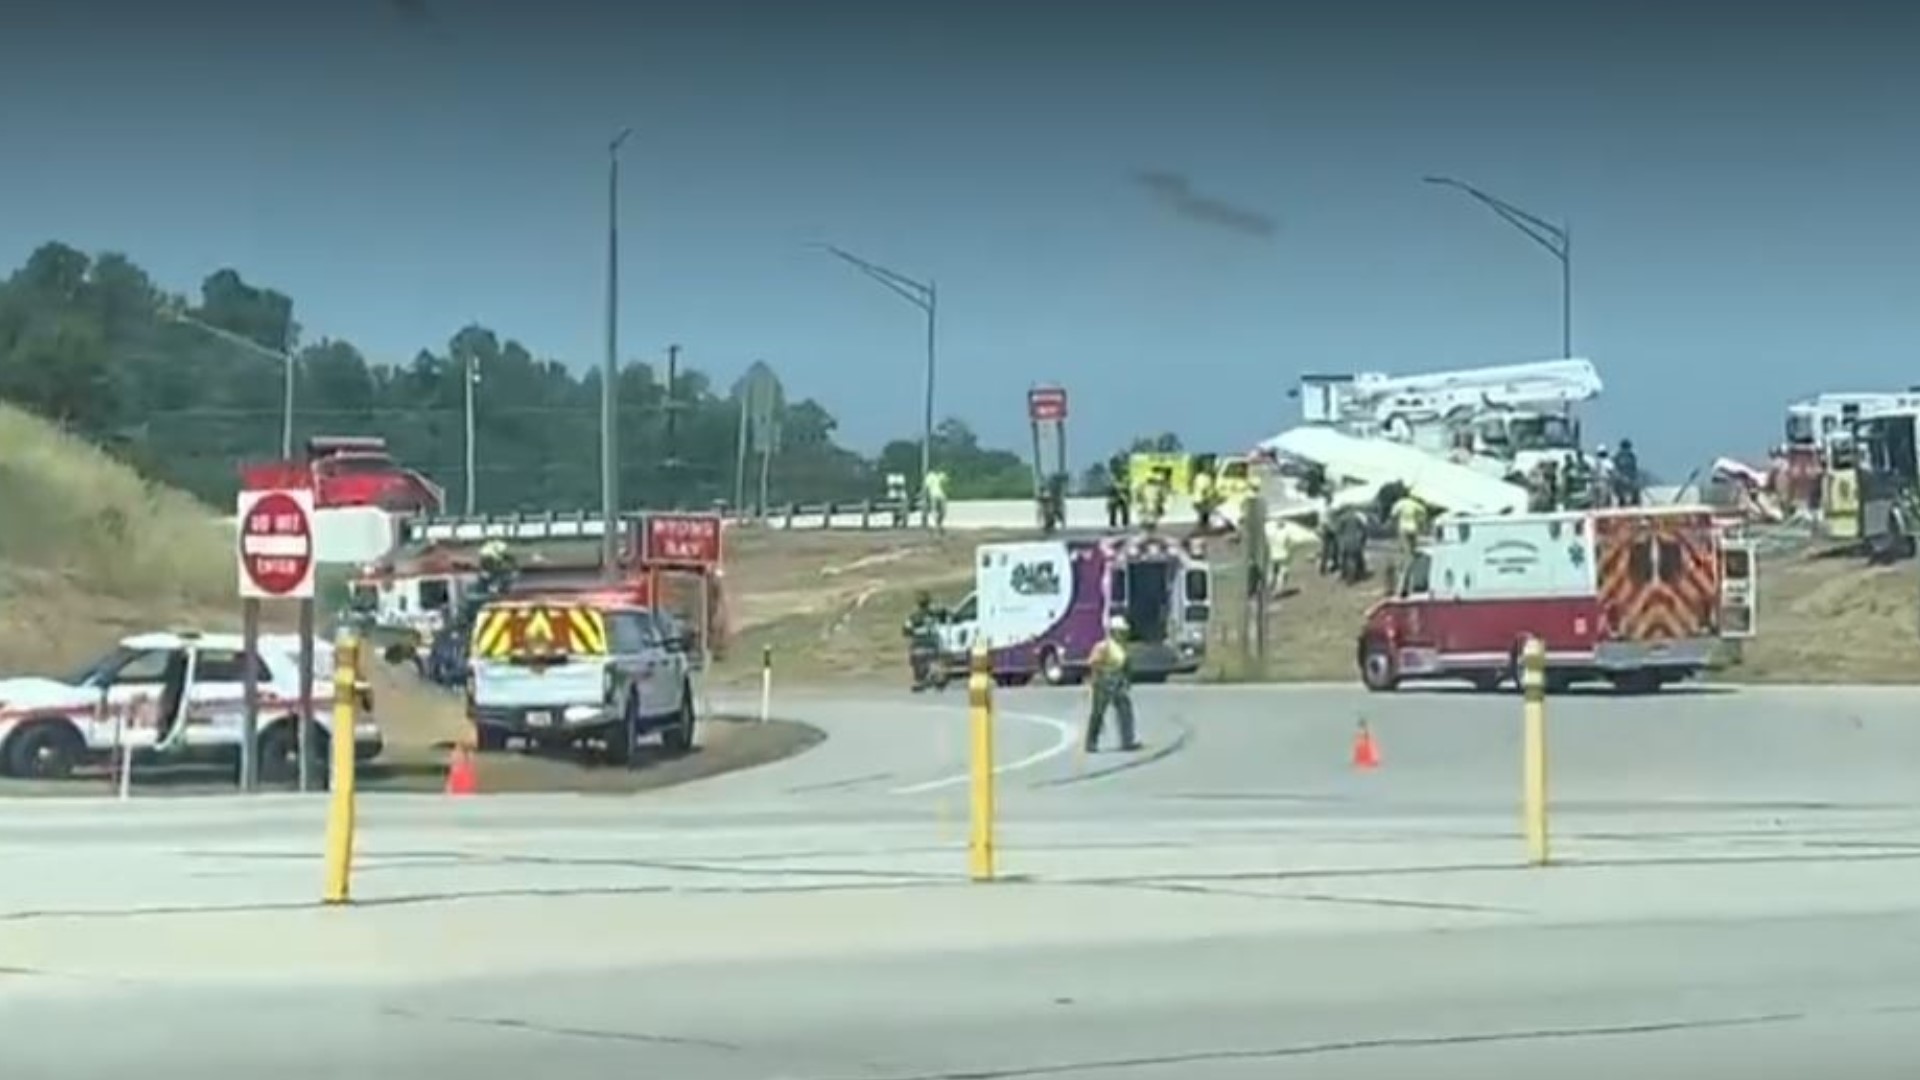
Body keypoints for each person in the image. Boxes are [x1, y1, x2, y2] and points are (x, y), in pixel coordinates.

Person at [1084, 616, 1141, 753]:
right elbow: (1092, 662)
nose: (1123, 634)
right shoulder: (1104, 646)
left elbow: (1127, 667)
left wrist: (1127, 681)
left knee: (1125, 711)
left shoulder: (1123, 649)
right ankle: (1091, 742)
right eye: (1120, 631)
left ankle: (1127, 740)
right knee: (1098, 713)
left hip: (1118, 682)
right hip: (1103, 681)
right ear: (1113, 632)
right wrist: (1096, 677)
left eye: (1123, 632)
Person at [902, 591, 943, 691]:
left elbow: (906, 630)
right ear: (929, 603)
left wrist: (911, 633)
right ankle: (935, 676)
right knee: (934, 660)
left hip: (919, 643)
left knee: (916, 660)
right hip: (932, 643)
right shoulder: (934, 614)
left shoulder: (913, 616)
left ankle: (921, 680)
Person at [1389, 488, 1427, 560]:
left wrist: (1393, 524)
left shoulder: (1400, 503)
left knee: (1405, 548)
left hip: (1403, 527)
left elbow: (1393, 515)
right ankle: (1413, 560)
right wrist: (1422, 524)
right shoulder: (1416, 504)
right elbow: (1423, 513)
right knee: (1413, 547)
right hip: (1413, 527)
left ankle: (1406, 563)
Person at [922, 468, 950, 533]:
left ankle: (938, 524)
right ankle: (938, 525)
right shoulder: (930, 476)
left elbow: (945, 480)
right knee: (939, 510)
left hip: (938, 495)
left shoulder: (939, 475)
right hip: (936, 495)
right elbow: (926, 486)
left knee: (938, 510)